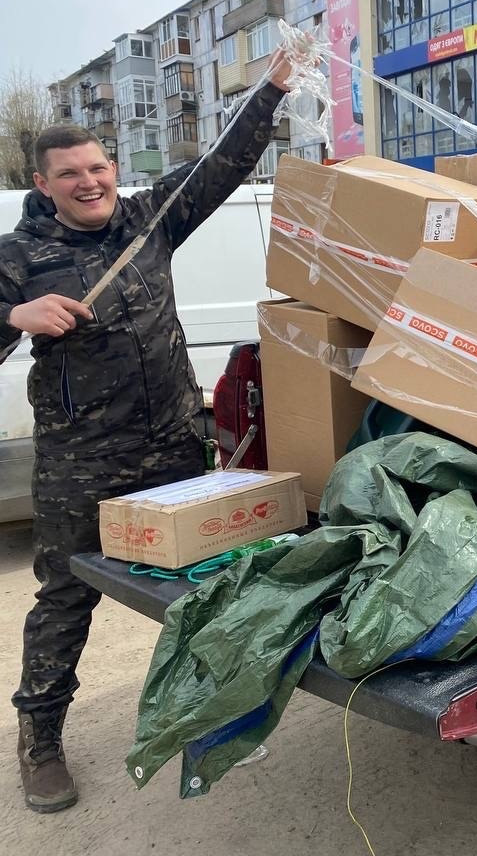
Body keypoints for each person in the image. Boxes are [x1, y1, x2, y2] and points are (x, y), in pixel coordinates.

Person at [1, 46, 300, 813]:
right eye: (70, 174)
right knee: (66, 598)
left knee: (198, 585)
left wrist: (268, 90)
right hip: (80, 461)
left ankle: (209, 714)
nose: (89, 181)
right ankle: (39, 740)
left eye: (97, 167)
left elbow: (221, 166)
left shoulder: (147, 220)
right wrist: (13, 314)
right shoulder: (20, 254)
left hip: (172, 446)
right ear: (44, 184)